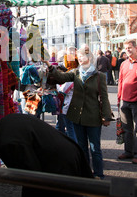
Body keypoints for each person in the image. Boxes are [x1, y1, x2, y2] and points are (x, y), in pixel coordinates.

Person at [0, 113, 94, 197]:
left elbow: (32, 178)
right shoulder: (5, 123)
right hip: (65, 154)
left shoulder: (6, 143)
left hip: (61, 164)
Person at [43, 45, 113, 179]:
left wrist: (106, 116)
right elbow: (61, 77)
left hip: (93, 117)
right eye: (79, 56)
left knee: (95, 148)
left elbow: (103, 97)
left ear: (90, 57)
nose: (80, 58)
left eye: (83, 55)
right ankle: (85, 173)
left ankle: (99, 174)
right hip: (77, 116)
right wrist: (50, 66)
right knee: (81, 147)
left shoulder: (99, 76)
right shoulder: (76, 72)